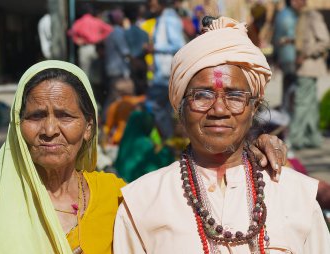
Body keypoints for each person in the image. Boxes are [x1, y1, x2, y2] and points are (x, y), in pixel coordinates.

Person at [113, 17, 330, 253]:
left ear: (253, 107)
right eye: (202, 95)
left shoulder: (297, 195)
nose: (218, 110)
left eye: (235, 96)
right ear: (180, 108)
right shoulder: (142, 203)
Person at [0, 60, 125, 254]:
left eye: (64, 116)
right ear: (18, 126)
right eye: (36, 116)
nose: (49, 130)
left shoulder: (115, 197)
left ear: (88, 127)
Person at [288, 0, 330, 150]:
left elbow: (325, 41)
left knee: (301, 103)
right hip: (305, 68)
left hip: (309, 67)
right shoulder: (302, 16)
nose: (292, 2)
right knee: (310, 104)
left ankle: (293, 139)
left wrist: (305, 54)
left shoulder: (313, 16)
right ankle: (313, 139)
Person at [145, 0, 185, 139]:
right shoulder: (161, 19)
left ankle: (167, 140)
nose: (150, 4)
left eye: (152, 2)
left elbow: (179, 45)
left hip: (165, 75)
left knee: (152, 105)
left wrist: (155, 49)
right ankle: (169, 143)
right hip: (162, 74)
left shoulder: (169, 19)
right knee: (165, 110)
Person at [272, 0, 298, 113]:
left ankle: (286, 110)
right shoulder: (291, 15)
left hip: (285, 54)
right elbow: (292, 36)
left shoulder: (282, 14)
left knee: (288, 84)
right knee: (292, 85)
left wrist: (276, 55)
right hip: (292, 54)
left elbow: (276, 37)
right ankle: (289, 111)